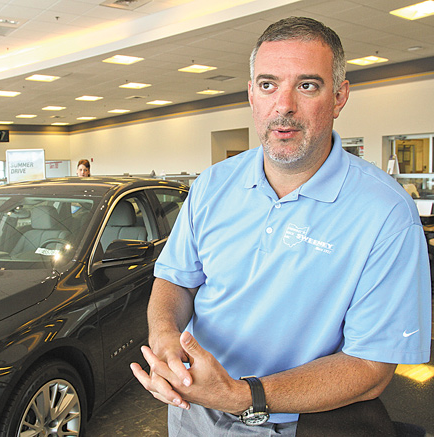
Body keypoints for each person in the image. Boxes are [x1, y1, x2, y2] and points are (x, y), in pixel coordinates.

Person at [130, 16, 431, 436]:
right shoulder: (213, 184)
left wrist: (241, 394)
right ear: (252, 94)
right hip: (191, 414)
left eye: (307, 85)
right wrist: (163, 333)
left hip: (288, 425)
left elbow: (371, 367)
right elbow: (175, 279)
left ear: (340, 95)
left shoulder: (385, 213)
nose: (284, 105)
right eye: (268, 85)